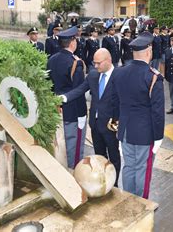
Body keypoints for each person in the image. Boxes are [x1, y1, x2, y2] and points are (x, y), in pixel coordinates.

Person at [112, 32, 165, 198]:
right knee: (142, 167)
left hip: (125, 130)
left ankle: (128, 199)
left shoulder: (119, 72)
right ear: (149, 52)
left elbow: (115, 101)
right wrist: (158, 137)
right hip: (144, 133)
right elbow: (157, 112)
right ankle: (141, 203)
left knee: (129, 166)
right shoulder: (153, 77)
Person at [61, 48, 121, 186]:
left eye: (98, 63)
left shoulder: (119, 76)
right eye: (94, 63)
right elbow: (80, 90)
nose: (95, 66)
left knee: (114, 157)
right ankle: (103, 182)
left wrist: (119, 121)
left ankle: (114, 184)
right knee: (100, 156)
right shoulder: (93, 76)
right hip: (95, 124)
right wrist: (64, 97)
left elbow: (125, 100)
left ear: (108, 61)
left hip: (111, 126)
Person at [47, 26, 87, 169]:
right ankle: (73, 179)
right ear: (72, 42)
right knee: (74, 150)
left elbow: (49, 85)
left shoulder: (52, 59)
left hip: (56, 110)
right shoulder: (75, 62)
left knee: (59, 145)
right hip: (73, 112)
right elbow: (79, 91)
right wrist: (82, 115)